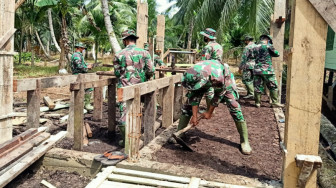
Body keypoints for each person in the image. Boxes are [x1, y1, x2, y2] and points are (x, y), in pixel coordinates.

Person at [170, 60, 252, 155]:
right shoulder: (192, 74)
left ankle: (244, 141)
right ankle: (180, 132)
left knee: (234, 106)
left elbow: (218, 95)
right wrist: (195, 116)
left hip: (225, 80)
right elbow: (193, 95)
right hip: (204, 79)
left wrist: (209, 112)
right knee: (187, 106)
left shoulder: (218, 77)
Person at [113, 30, 155, 146]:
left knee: (124, 113)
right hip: (141, 87)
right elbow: (151, 70)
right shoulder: (145, 53)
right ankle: (142, 135)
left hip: (125, 88)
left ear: (125, 40)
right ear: (134, 40)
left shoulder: (119, 54)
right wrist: (144, 77)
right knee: (141, 109)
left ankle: (127, 141)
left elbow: (117, 73)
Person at [253, 35, 283, 108]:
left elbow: (253, 56)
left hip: (257, 70)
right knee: (273, 86)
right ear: (268, 40)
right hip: (267, 71)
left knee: (257, 86)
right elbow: (277, 54)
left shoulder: (254, 47)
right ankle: (274, 102)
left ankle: (257, 103)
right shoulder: (268, 46)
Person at [70, 42, 94, 110]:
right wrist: (87, 67)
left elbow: (81, 64)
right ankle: (86, 104)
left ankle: (83, 104)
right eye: (82, 48)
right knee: (88, 87)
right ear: (79, 48)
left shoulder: (78, 55)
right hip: (78, 75)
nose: (83, 49)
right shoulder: (76, 55)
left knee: (85, 88)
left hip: (80, 75)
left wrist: (87, 65)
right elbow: (79, 66)